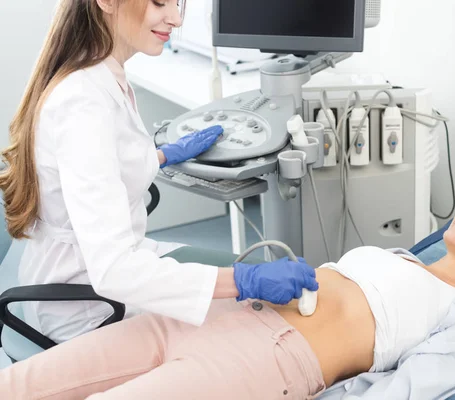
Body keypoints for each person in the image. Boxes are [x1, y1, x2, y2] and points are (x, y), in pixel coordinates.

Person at [0, 180, 455, 399]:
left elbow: (408, 388)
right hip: (214, 312)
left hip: (269, 361)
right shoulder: (397, 255)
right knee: (21, 385)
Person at [0, 0, 318, 344]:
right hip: (90, 309)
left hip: (105, 272)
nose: (176, 18)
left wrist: (163, 155)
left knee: (255, 303)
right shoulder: (83, 105)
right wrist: (244, 281)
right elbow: (114, 271)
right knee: (262, 326)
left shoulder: (101, 72)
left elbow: (108, 163)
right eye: (158, 2)